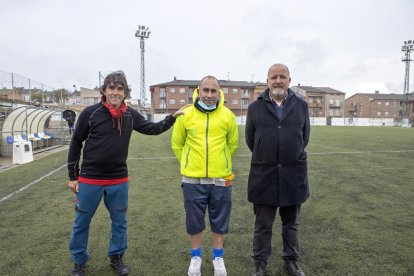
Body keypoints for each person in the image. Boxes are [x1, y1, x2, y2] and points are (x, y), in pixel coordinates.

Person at [67, 70, 189, 276]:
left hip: (118, 180)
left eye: (119, 89)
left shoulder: (130, 115)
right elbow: (76, 142)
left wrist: (172, 117)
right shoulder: (91, 113)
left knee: (120, 222)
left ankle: (117, 257)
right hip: (90, 179)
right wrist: (73, 176)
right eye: (111, 88)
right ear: (104, 90)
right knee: (81, 222)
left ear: (125, 93)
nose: (115, 92)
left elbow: (152, 128)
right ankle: (79, 261)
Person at [245, 64, 310, 276]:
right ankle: (260, 264)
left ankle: (291, 261)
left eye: (283, 76)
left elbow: (304, 138)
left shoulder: (301, 106)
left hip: (293, 175)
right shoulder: (255, 108)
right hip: (264, 176)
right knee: (262, 225)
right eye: (274, 77)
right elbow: (251, 140)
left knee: (291, 224)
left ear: (290, 80)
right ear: (267, 81)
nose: (278, 80)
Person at [171, 76, 238, 276]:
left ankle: (218, 257)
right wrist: (189, 164)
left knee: (219, 221)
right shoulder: (186, 114)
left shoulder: (227, 115)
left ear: (219, 93)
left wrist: (221, 163)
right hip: (192, 181)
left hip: (221, 180)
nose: (209, 95)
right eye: (205, 90)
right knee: (194, 222)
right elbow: (177, 144)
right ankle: (196, 257)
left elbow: (232, 145)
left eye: (213, 91)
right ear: (198, 91)